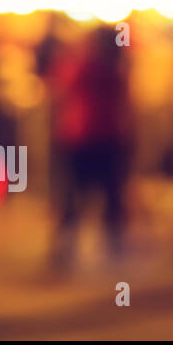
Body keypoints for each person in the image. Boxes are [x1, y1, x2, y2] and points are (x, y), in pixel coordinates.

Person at [48, 27, 133, 267]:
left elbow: (61, 85)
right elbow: (125, 104)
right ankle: (113, 249)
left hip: (80, 136)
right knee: (111, 197)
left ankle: (64, 251)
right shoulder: (116, 68)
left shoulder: (83, 64)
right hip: (109, 136)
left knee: (73, 196)